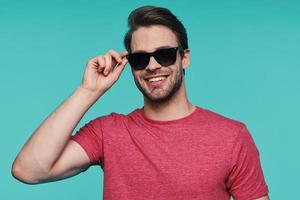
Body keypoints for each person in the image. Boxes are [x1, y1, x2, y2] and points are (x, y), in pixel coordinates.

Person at [12, 5, 269, 200]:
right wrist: (89, 90)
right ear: (131, 66)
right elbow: (28, 170)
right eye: (140, 59)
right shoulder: (109, 132)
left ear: (185, 58)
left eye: (165, 54)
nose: (153, 66)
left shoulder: (231, 136)